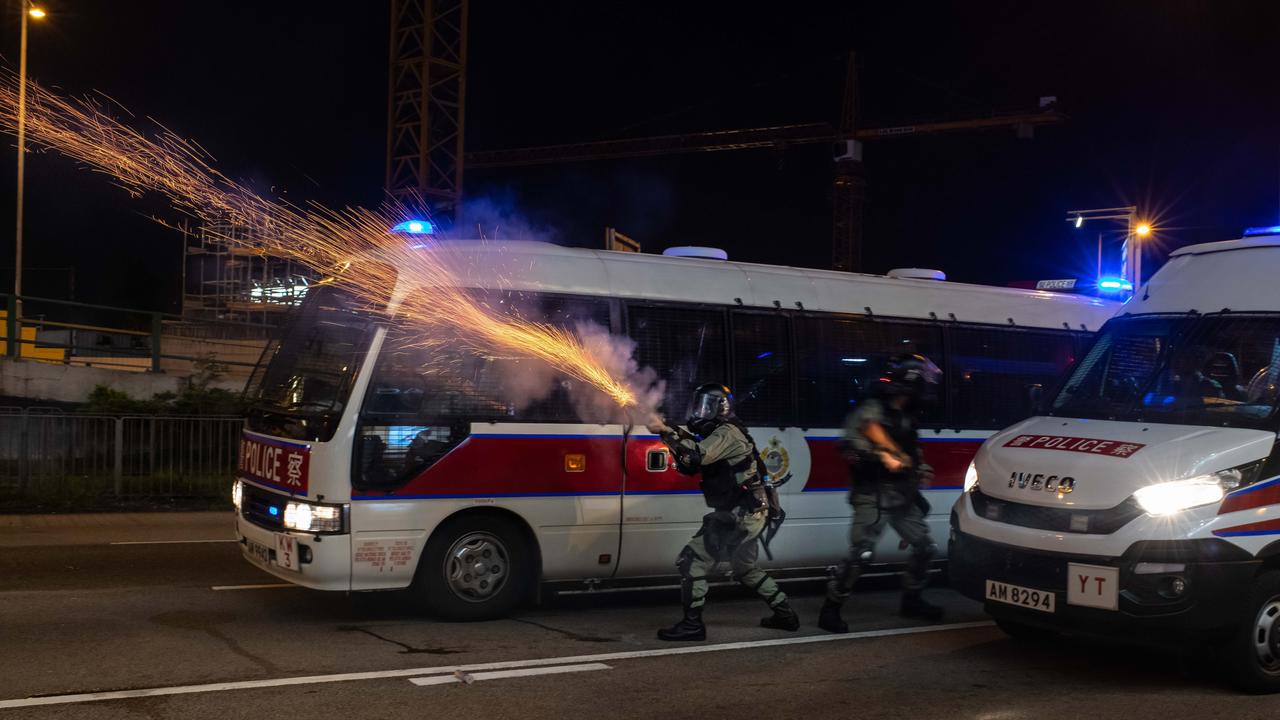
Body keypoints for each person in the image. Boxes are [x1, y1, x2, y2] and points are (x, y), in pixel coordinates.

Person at [646, 383, 798, 641]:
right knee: (746, 569)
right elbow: (690, 463)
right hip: (749, 512)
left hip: (740, 515)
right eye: (698, 405)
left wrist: (665, 430)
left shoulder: (728, 433)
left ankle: (692, 625)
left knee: (691, 561)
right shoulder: (719, 433)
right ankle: (786, 615)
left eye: (704, 405)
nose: (699, 411)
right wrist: (667, 432)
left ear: (720, 408)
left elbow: (696, 456)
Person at [820, 354, 945, 634]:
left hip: (902, 494)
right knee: (861, 554)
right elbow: (848, 445)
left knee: (926, 548)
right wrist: (881, 456)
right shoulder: (872, 411)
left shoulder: (907, 416)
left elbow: (912, 450)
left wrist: (921, 468)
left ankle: (911, 600)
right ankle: (831, 608)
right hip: (873, 494)